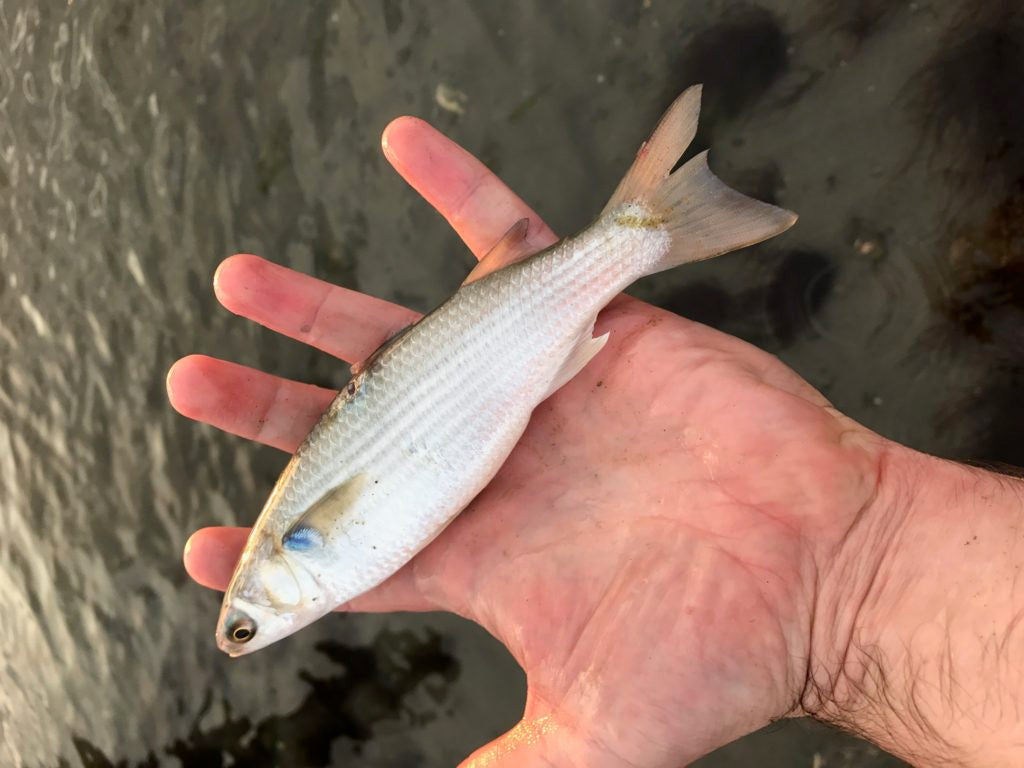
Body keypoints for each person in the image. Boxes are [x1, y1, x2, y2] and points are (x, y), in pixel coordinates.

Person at [166, 115, 1024, 768]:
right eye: (244, 630)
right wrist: (845, 585)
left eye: (245, 624)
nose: (250, 630)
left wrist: (851, 586)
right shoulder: (335, 565)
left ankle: (638, 232)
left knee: (612, 247)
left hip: (479, 376)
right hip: (483, 389)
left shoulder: (318, 551)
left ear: (278, 565)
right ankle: (639, 230)